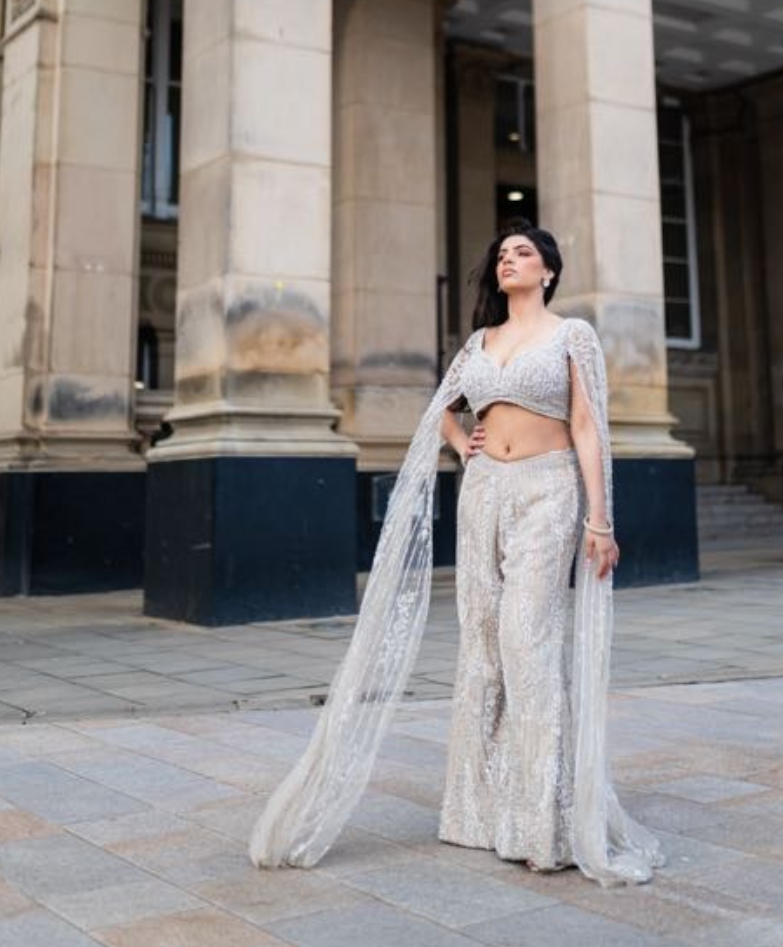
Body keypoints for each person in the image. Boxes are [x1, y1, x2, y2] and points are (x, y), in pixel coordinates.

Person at [249, 219, 661, 886]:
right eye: (502, 254)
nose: (509, 260)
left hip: (548, 490)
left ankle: (545, 824)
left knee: (530, 643)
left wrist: (600, 519)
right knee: (483, 645)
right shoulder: (480, 342)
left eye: (523, 253)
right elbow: (443, 406)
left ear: (548, 271)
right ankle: (476, 812)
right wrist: (457, 439)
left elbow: (587, 426)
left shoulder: (571, 335)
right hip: (483, 494)